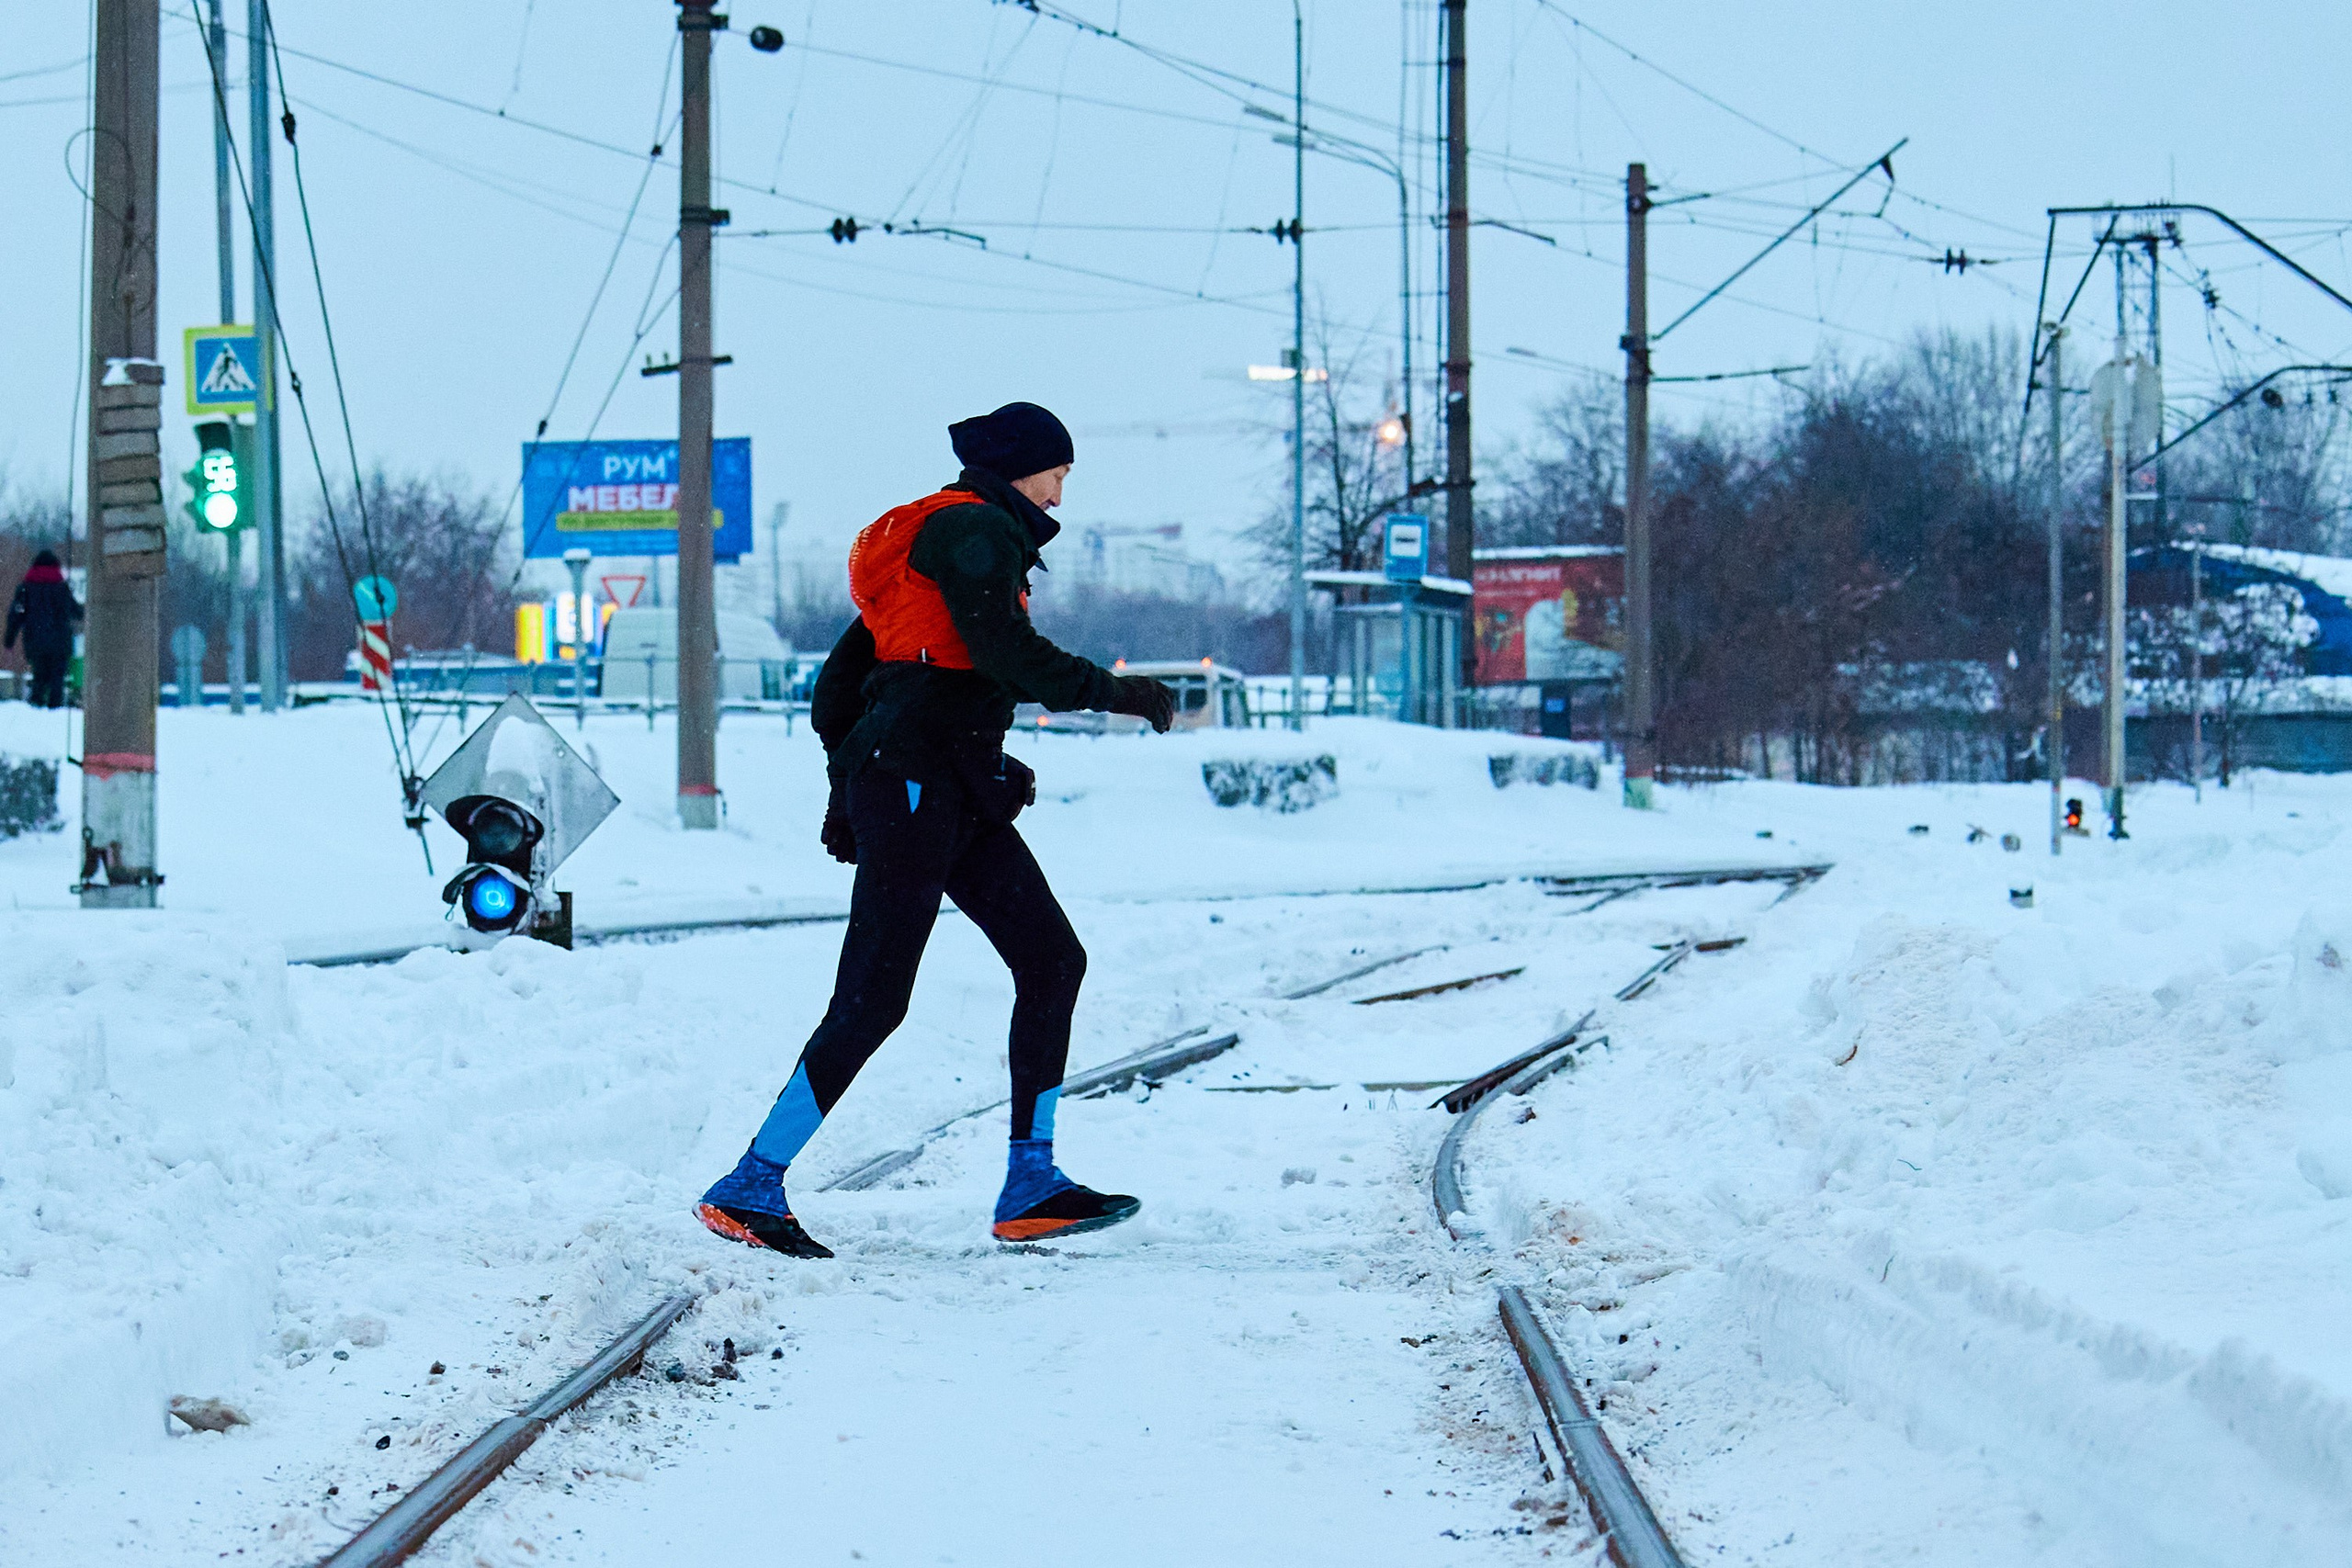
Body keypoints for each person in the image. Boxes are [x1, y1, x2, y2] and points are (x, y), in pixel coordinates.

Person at [697, 402, 1178, 1258]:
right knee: (876, 997)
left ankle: (1032, 1183)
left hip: (944, 784)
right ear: (1023, 466)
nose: (1065, 486)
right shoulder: (974, 534)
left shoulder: (950, 537)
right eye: (1058, 469)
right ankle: (750, 1184)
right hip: (918, 788)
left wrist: (862, 778)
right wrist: (1123, 693)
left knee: (1052, 958)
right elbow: (1011, 658)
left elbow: (842, 686)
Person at [6, 550, 82, 709]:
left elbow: (15, 617)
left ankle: (36, 709)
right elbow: (77, 612)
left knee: (39, 678)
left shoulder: (25, 589)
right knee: (57, 680)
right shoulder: (62, 588)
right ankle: (55, 710)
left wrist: (9, 641)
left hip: (35, 642)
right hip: (60, 643)